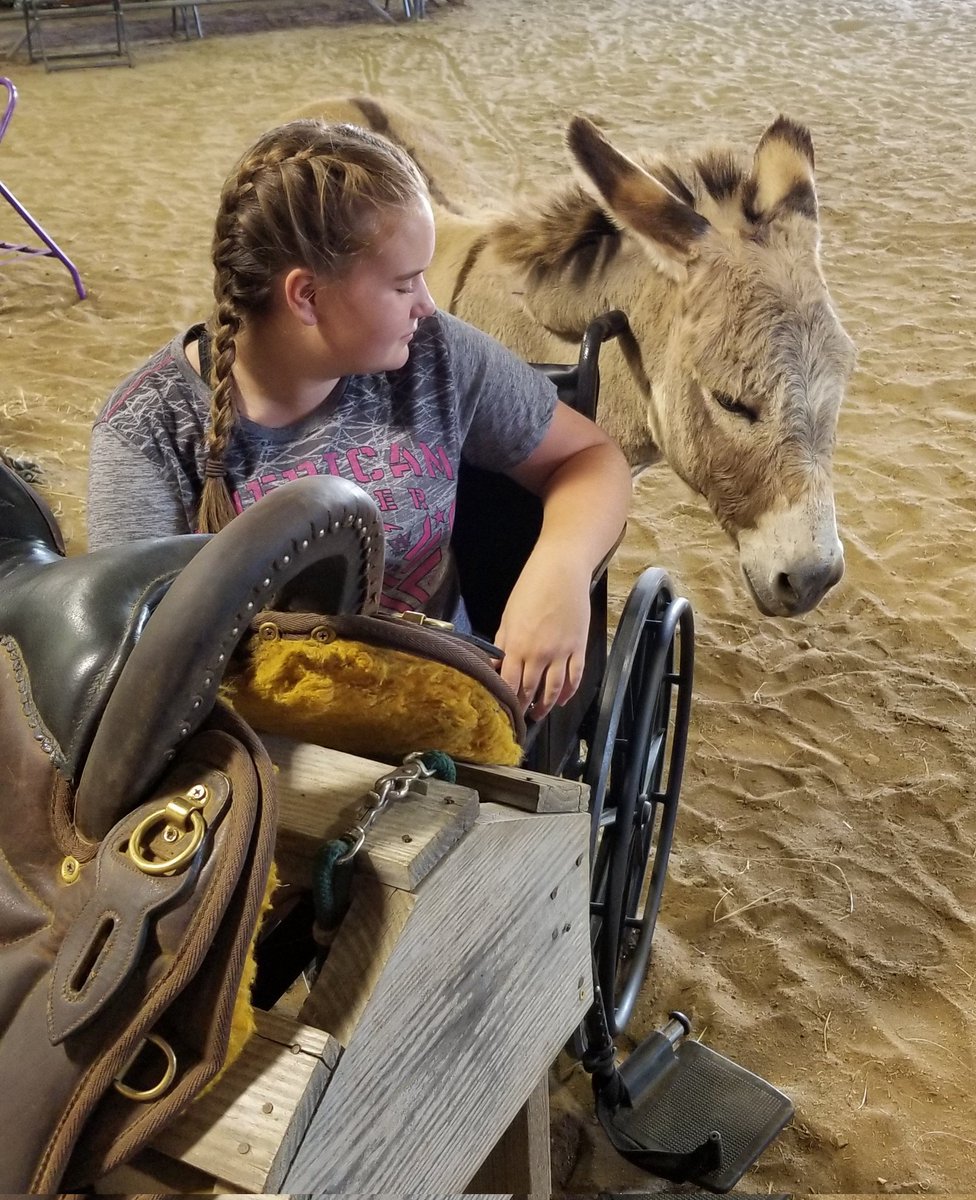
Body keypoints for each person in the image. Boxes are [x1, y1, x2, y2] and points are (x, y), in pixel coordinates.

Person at [87, 119, 632, 721]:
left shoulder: (436, 355)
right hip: (245, 737)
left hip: (443, 708)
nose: (426, 303)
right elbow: (131, 657)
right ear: (305, 296)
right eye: (403, 284)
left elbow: (590, 458)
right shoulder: (146, 429)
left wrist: (560, 569)